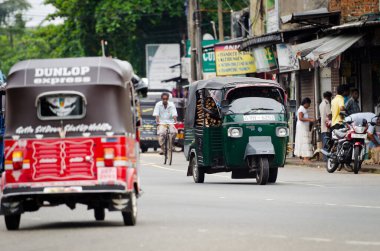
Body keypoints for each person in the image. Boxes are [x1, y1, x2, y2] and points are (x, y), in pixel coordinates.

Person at [294, 97, 314, 164]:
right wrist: (310, 120)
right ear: (305, 103)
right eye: (309, 104)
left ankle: (304, 157)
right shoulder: (301, 109)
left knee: (304, 141)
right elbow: (300, 118)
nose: (309, 106)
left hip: (304, 126)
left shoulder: (303, 109)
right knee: (304, 141)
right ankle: (305, 158)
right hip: (302, 127)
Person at [319, 91, 332, 161]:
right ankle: (326, 158)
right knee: (327, 142)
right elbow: (329, 114)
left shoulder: (321, 103)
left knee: (324, 141)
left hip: (323, 125)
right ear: (328, 97)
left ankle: (325, 157)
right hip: (327, 126)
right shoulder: (327, 103)